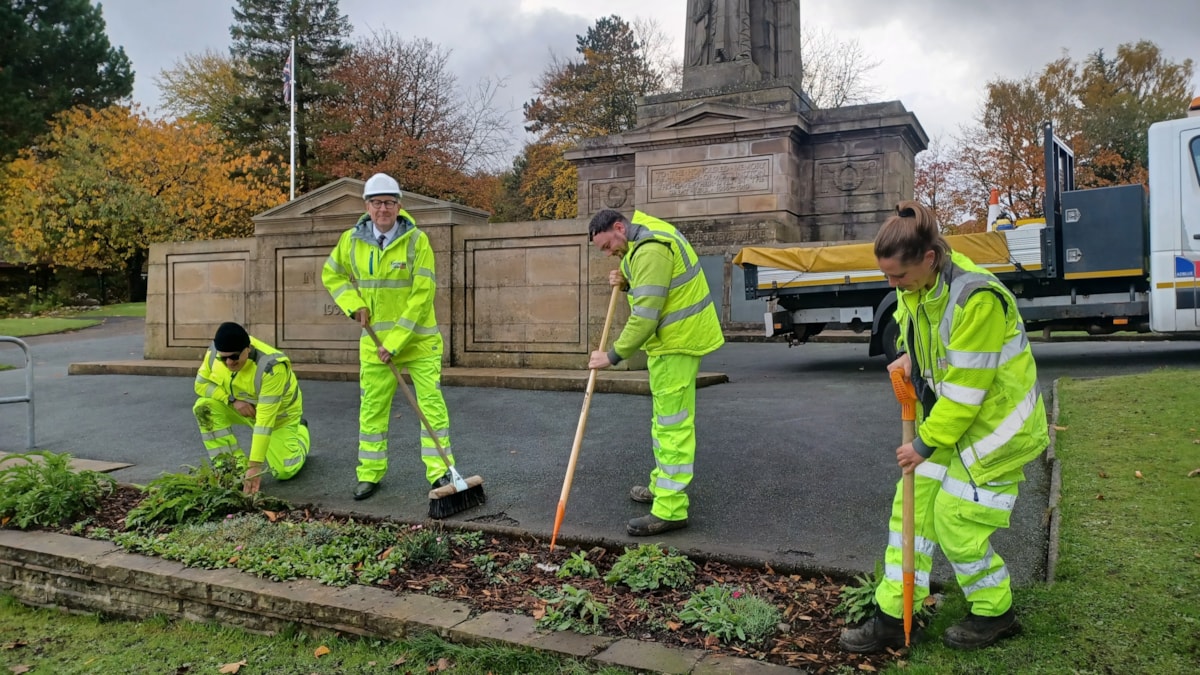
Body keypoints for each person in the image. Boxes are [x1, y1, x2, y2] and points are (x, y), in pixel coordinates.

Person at [839, 201, 1049, 652]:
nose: (892, 286)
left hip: (994, 434)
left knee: (957, 522)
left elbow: (966, 390)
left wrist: (923, 445)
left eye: (898, 276)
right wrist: (910, 358)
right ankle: (894, 615)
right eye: (888, 277)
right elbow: (938, 346)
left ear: (929, 258)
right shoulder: (919, 290)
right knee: (909, 510)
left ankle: (995, 612)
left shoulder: (977, 298)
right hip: (952, 425)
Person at [586, 209, 725, 536]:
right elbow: (655, 283)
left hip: (676, 343)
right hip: (672, 343)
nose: (609, 254)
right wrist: (627, 279)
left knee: (672, 425)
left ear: (619, 227)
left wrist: (613, 355)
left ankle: (670, 508)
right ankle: (661, 486)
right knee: (664, 421)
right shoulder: (643, 239)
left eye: (608, 246)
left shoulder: (649, 248)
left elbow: (646, 317)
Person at [322, 173, 455, 501]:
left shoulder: (416, 241)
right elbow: (332, 273)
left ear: (399, 206)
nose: (383, 208)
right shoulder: (350, 241)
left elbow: (422, 295)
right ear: (367, 206)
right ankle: (369, 474)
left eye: (389, 202)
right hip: (374, 344)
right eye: (377, 203)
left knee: (431, 408)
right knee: (372, 410)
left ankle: (441, 473)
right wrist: (353, 305)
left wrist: (394, 342)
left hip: (418, 342)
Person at [193, 321, 309, 495]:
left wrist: (255, 467)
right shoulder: (215, 352)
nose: (228, 362)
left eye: (234, 356)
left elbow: (264, 422)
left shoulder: (272, 368)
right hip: (241, 408)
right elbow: (200, 385)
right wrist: (231, 400)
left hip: (278, 418)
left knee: (285, 471)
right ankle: (233, 469)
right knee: (203, 407)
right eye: (223, 358)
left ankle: (301, 431)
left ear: (247, 348)